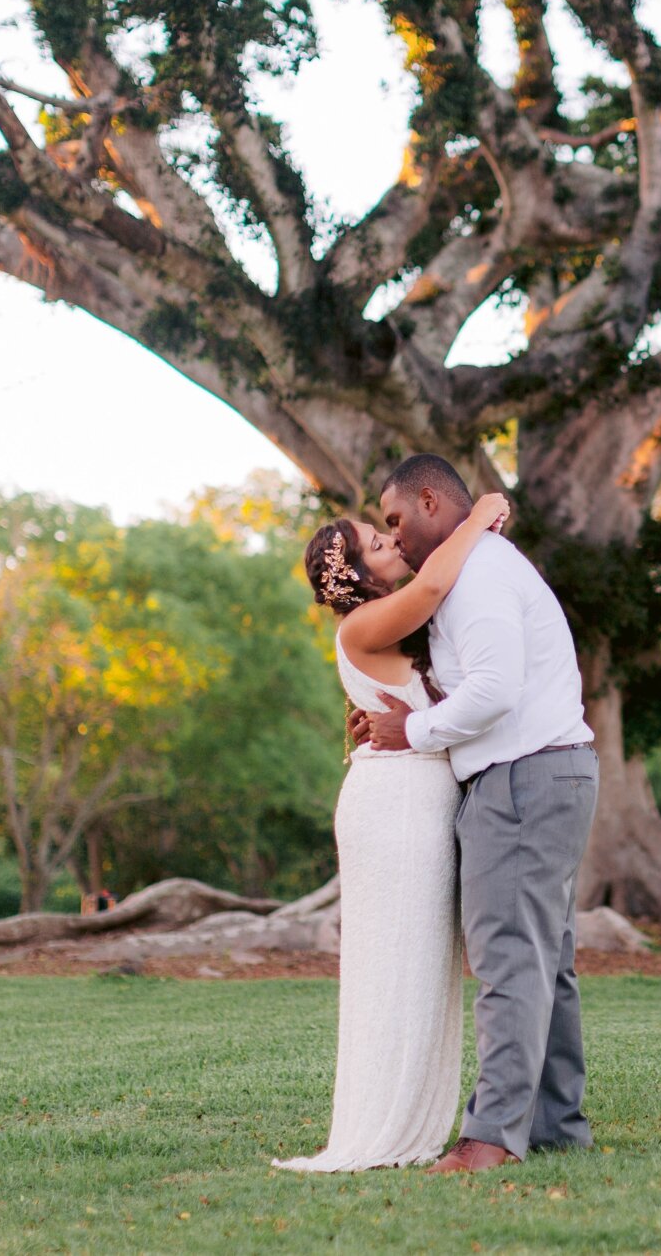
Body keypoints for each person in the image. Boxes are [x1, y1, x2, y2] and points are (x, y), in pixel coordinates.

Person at [351, 454, 599, 1176]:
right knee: (544, 963)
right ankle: (555, 1125)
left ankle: (489, 1138)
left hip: (522, 778)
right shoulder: (476, 567)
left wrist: (413, 732)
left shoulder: (479, 571)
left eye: (395, 520)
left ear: (432, 501)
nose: (393, 539)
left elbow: (493, 688)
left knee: (510, 962)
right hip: (542, 772)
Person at [270, 487, 511, 1173]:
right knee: (396, 964)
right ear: (356, 575)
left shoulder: (391, 628)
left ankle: (413, 1117)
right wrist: (479, 514)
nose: (392, 542)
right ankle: (384, 1125)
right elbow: (437, 578)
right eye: (377, 544)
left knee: (424, 966)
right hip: (397, 806)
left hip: (419, 796)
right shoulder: (363, 625)